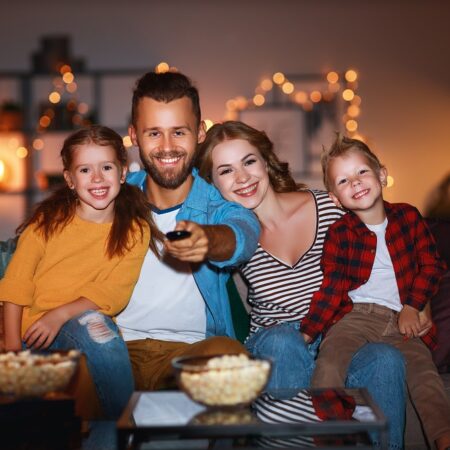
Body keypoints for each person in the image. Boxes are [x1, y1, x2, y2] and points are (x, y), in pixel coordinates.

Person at [196, 120, 434, 450]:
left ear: (265, 162)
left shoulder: (328, 206)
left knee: (385, 358)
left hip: (338, 338)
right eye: (225, 170)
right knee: (284, 340)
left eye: (249, 162)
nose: (242, 177)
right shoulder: (233, 236)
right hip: (275, 347)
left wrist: (420, 304)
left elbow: (397, 247)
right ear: (213, 183)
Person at [300, 134, 450, 450]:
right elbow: (333, 287)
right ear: (335, 198)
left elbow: (432, 266)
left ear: (381, 174)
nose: (355, 183)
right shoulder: (339, 234)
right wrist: (309, 332)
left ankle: (444, 440)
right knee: (328, 364)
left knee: (426, 378)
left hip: (403, 320)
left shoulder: (408, 217)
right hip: (354, 318)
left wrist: (413, 305)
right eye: (343, 180)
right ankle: (333, 438)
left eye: (362, 172)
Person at [115, 72, 260, 391]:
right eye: (154, 133)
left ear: (200, 133)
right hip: (112, 354)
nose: (167, 147)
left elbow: (243, 234)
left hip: (188, 356)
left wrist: (207, 240)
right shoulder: (113, 199)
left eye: (178, 132)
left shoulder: (216, 205)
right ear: (134, 136)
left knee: (230, 358)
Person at [0, 125, 153, 419]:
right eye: (84, 170)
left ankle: (125, 428)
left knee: (98, 328)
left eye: (106, 167)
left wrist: (58, 315)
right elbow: (16, 282)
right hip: (31, 333)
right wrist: (12, 351)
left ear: (122, 172)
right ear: (70, 179)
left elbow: (113, 292)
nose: (97, 178)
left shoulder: (135, 229)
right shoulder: (48, 222)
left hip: (78, 323)